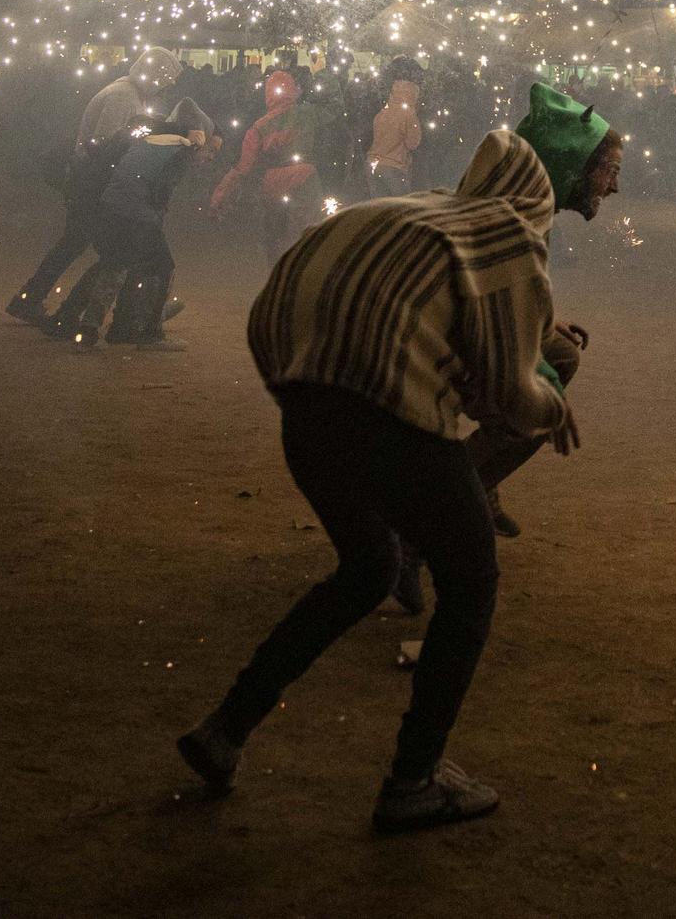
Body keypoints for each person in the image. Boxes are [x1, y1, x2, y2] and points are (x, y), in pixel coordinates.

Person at [177, 124, 591, 833]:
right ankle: (414, 777)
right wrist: (551, 403)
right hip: (387, 414)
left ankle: (225, 728)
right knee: (473, 578)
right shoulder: (509, 235)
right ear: (538, 198)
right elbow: (506, 390)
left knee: (367, 566)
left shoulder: (411, 209)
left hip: (304, 396)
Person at [396, 84, 622, 609]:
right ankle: (425, 520)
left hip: (441, 337)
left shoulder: (513, 205)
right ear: (570, 164)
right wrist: (537, 370)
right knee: (539, 403)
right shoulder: (510, 220)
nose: (613, 188)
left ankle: (474, 490)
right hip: (415, 352)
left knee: (559, 357)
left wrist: (542, 326)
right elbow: (484, 312)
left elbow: (507, 296)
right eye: (607, 170)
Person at [8, 46, 182, 323]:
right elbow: (104, 144)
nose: (165, 87)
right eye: (165, 79)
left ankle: (33, 299)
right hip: (92, 185)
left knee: (78, 244)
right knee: (113, 251)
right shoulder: (122, 97)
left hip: (90, 182)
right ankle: (109, 313)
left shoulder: (127, 93)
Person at [52, 99, 220, 349]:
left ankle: (88, 323)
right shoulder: (180, 149)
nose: (210, 158)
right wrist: (152, 221)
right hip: (133, 215)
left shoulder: (156, 139)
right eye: (211, 150)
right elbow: (157, 192)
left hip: (109, 207)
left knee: (114, 265)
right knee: (158, 266)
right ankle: (143, 330)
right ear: (200, 136)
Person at [211, 69, 318, 264]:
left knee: (275, 233)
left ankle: (277, 271)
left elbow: (244, 168)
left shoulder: (260, 127)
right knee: (307, 231)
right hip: (307, 181)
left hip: (273, 185)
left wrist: (220, 195)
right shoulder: (310, 116)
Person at [368, 57, 425, 197]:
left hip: (373, 163)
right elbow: (413, 144)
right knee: (399, 207)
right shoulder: (409, 114)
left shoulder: (383, 111)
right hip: (395, 167)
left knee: (379, 207)